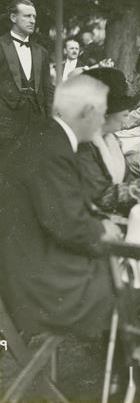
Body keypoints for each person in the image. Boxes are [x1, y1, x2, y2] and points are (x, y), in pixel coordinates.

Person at [0, 75, 122, 337]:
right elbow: (67, 225)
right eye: (102, 114)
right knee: (128, 275)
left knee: (122, 267)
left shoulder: (46, 136)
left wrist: (98, 224)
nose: (103, 121)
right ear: (88, 112)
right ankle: (128, 364)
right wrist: (102, 231)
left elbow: (64, 209)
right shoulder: (53, 148)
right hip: (38, 284)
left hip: (25, 263)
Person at [76, 68, 140, 215]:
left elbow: (127, 184)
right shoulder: (83, 145)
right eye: (121, 107)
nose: (127, 113)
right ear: (105, 111)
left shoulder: (112, 139)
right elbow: (102, 198)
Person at [0, 0, 54, 152]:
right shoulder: (1, 45)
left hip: (36, 122)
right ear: (13, 18)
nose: (32, 21)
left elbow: (47, 89)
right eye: (27, 16)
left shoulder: (41, 52)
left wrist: (49, 121)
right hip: (6, 123)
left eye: (34, 17)